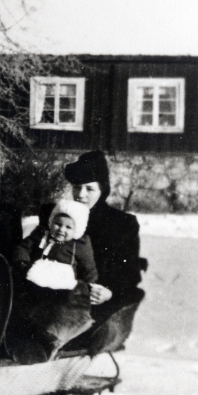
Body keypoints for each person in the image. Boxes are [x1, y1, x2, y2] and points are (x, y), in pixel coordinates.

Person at [54, 151, 145, 355]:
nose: (81, 195)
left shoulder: (122, 224)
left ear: (102, 189)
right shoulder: (61, 217)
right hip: (59, 296)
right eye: (76, 187)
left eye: (89, 189)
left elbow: (130, 274)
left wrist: (110, 292)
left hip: (97, 302)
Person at [6, 200, 97, 363]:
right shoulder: (42, 234)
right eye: (58, 224)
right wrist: (22, 262)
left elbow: (89, 268)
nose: (61, 230)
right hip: (35, 281)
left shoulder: (80, 244)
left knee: (53, 315)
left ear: (77, 229)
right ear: (51, 221)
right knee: (25, 310)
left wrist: (90, 286)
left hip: (61, 288)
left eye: (68, 227)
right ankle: (19, 341)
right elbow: (23, 247)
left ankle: (43, 345)